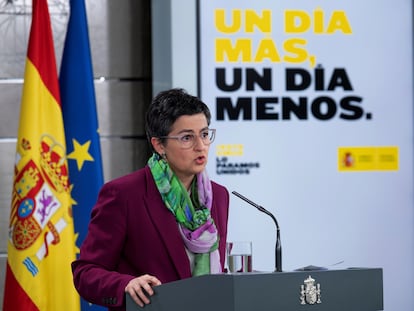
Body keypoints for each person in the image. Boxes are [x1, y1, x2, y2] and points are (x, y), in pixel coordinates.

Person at [72, 88, 229, 310]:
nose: (200, 146)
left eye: (204, 134)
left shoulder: (219, 196)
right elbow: (85, 273)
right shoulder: (123, 195)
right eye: (187, 138)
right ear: (159, 145)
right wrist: (125, 285)